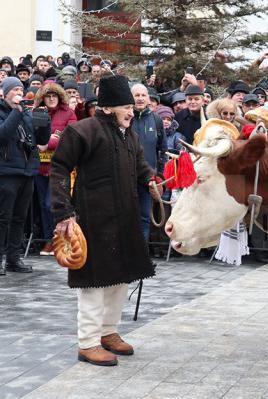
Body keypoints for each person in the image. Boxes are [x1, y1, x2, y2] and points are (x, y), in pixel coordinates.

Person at [50, 75, 162, 367]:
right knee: (95, 284)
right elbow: (59, 168)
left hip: (124, 218)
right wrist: (63, 212)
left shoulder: (130, 135)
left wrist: (152, 180)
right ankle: (88, 343)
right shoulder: (82, 131)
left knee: (120, 279)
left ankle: (108, 332)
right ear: (110, 107)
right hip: (92, 218)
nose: (132, 111)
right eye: (127, 106)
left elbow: (141, 168)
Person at [0, 77, 50, 274]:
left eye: (21, 89)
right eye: (14, 90)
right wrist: (16, 111)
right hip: (6, 172)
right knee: (3, 217)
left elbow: (41, 140)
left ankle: (14, 259)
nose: (19, 92)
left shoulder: (26, 113)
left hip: (28, 171)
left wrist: (44, 122)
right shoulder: (9, 112)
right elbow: (3, 134)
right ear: (4, 93)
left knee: (20, 218)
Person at [33, 82, 77, 255]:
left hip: (59, 167)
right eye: (48, 96)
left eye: (54, 95)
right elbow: (31, 137)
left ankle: (56, 240)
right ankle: (47, 239)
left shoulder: (69, 113)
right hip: (39, 166)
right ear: (42, 98)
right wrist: (49, 139)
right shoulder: (36, 112)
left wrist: (49, 142)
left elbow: (71, 137)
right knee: (42, 206)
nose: (51, 99)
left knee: (51, 203)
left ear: (59, 97)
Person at [131, 84, 167, 241]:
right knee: (126, 219)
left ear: (148, 98)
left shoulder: (156, 119)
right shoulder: (125, 118)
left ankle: (142, 258)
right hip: (126, 176)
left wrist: (160, 176)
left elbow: (163, 149)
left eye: (143, 95)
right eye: (136, 95)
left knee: (145, 218)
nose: (140, 98)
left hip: (148, 179)